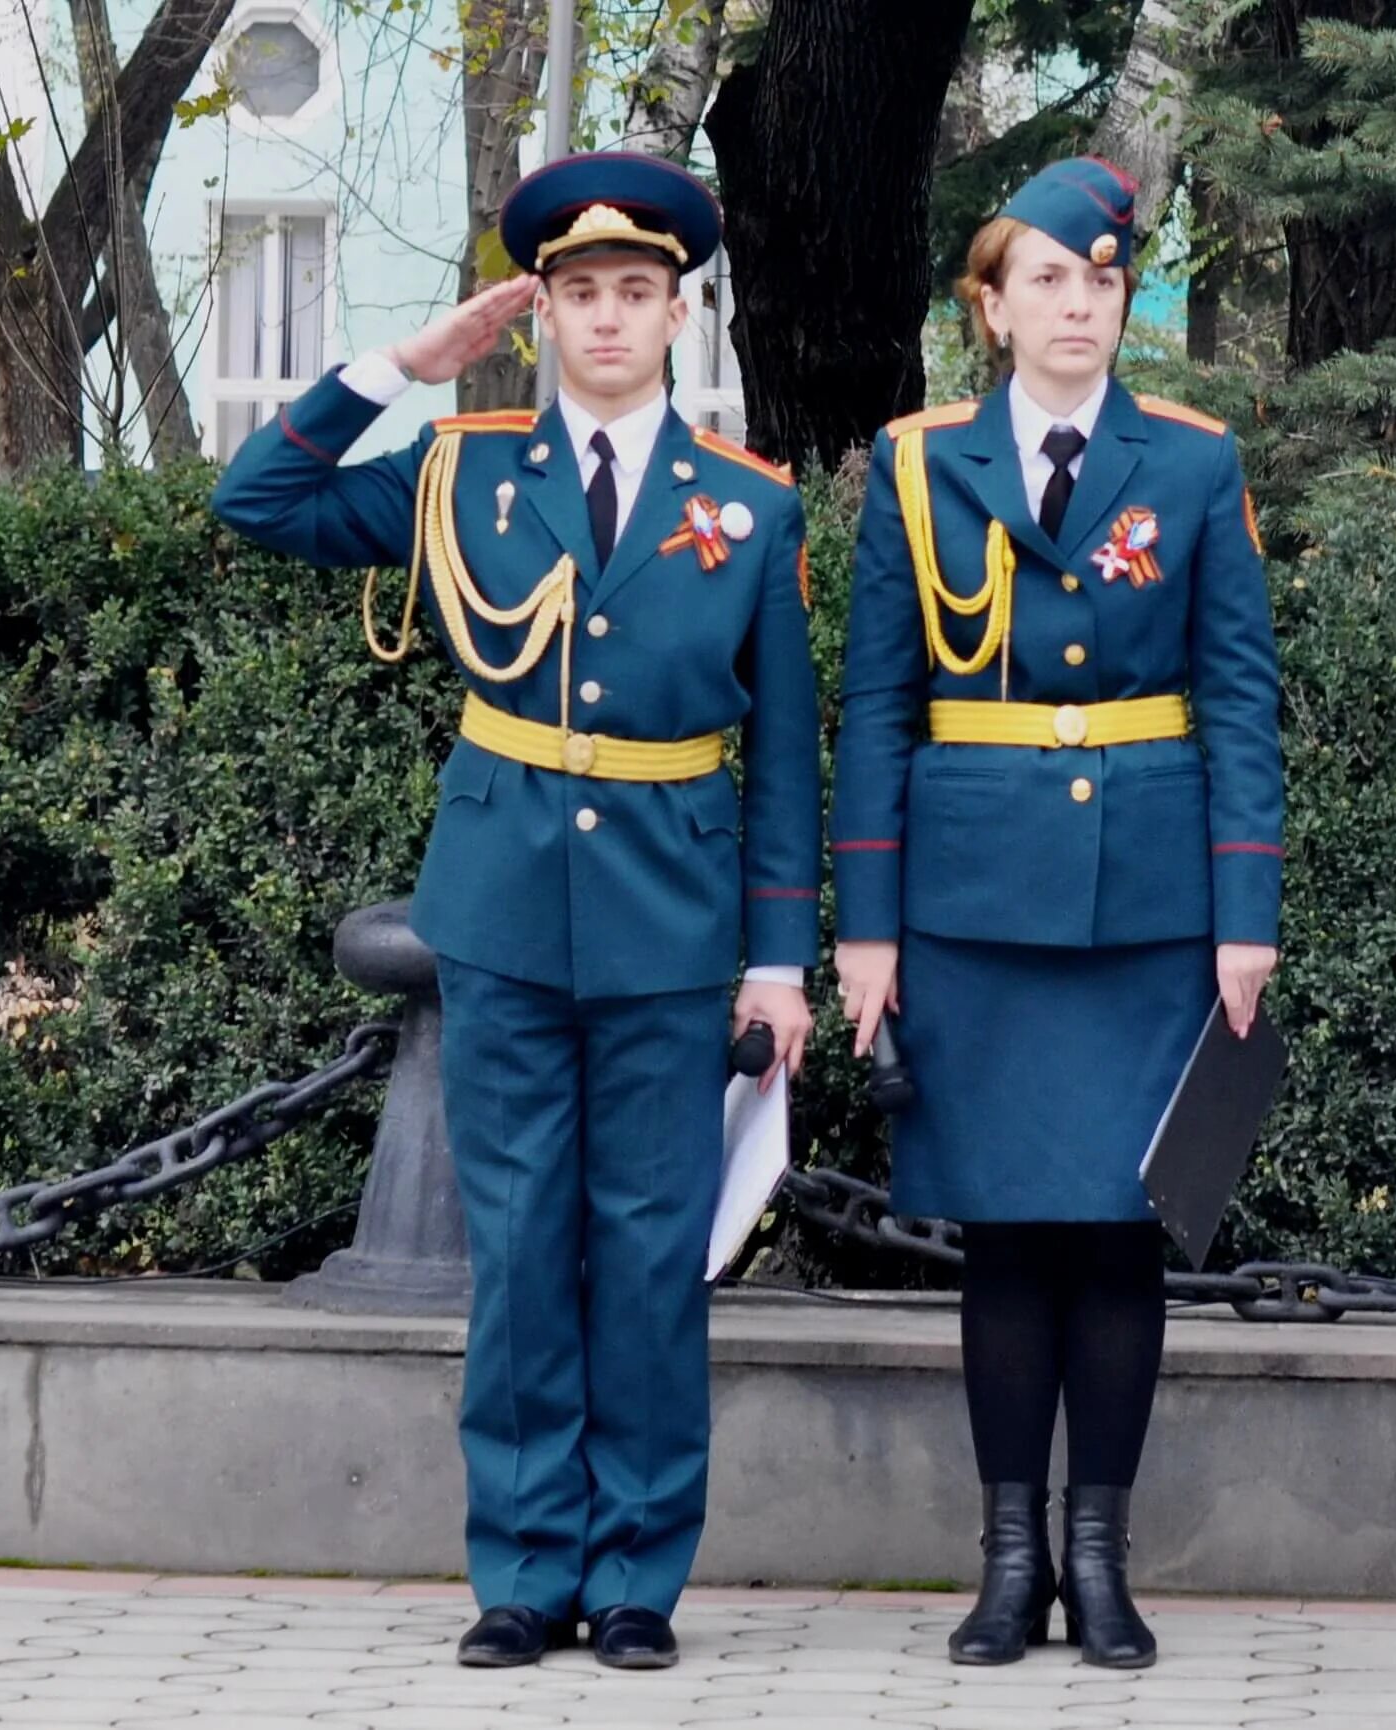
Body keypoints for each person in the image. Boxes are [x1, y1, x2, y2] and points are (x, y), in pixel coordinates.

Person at [211, 152, 821, 1672]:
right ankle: (523, 1568)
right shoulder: (465, 470)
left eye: (635, 294)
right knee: (522, 1250)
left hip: (671, 922)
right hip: (500, 916)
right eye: (577, 295)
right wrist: (401, 369)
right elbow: (256, 499)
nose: (606, 321)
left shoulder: (746, 510)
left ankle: (634, 1578)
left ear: (680, 314)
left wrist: (776, 958)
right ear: (538, 312)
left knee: (648, 1251)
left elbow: (791, 757)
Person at [829, 155, 1283, 1671]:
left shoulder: (1194, 463)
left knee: (1121, 1235)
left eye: (1101, 280)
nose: (1078, 303)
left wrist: (1246, 909)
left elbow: (1235, 696)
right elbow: (878, 708)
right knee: (1010, 1239)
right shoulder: (915, 468)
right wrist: (865, 928)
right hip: (970, 902)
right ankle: (1008, 1558)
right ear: (992, 304)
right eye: (1047, 278)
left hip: (1152, 900)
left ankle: (1102, 1557)